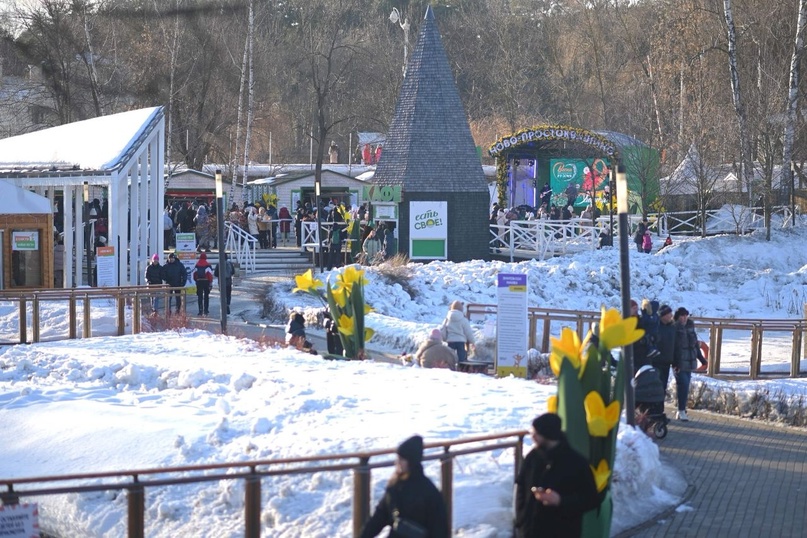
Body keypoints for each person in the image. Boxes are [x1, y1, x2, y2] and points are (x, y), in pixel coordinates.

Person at [514, 414, 599, 538]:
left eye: (536, 433)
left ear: (547, 434)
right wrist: (521, 519)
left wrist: (560, 501)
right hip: (529, 531)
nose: (532, 436)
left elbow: (591, 499)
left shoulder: (576, 463)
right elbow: (520, 487)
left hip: (561, 531)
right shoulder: (532, 457)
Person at [359, 435, 448, 538]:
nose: (397, 462)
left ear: (411, 462)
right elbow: (379, 517)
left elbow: (439, 528)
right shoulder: (395, 486)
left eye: (402, 459)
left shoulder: (428, 491)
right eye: (398, 458)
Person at [673, 307, 700, 421]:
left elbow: (695, 344)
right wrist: (674, 363)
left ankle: (681, 409)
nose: (684, 318)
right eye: (682, 316)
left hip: (689, 361)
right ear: (678, 316)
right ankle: (681, 410)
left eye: (686, 316)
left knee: (685, 386)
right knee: (683, 384)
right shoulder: (674, 328)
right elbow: (673, 346)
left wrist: (701, 358)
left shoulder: (690, 326)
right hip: (679, 362)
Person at [653, 304, 677, 390]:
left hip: (667, 362)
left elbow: (675, 344)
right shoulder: (656, 327)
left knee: (663, 387)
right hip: (656, 362)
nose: (671, 316)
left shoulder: (672, 327)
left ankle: (661, 403)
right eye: (668, 314)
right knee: (656, 386)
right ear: (663, 315)